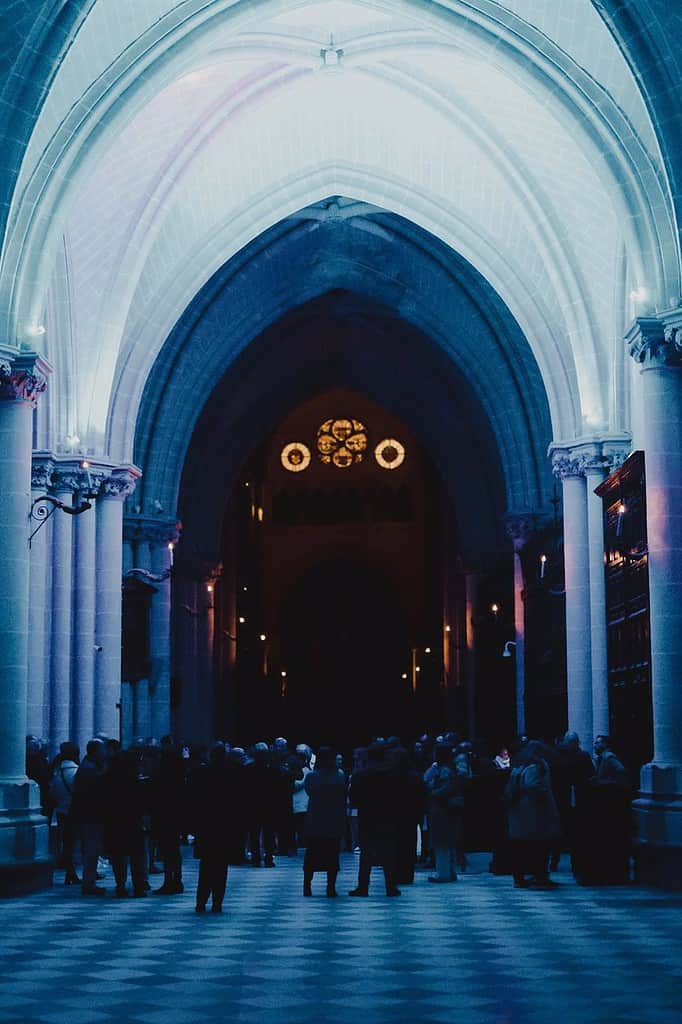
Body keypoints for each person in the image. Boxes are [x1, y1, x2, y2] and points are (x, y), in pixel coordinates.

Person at [194, 743, 243, 913]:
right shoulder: (231, 774)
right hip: (224, 826)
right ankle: (217, 903)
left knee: (206, 865)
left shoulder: (203, 773)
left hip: (207, 825)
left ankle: (201, 902)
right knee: (221, 867)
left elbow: (197, 801)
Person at [506, 740, 560, 889]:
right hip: (533, 813)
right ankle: (540, 878)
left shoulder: (519, 767)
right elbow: (532, 785)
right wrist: (545, 791)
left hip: (520, 813)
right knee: (539, 846)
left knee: (522, 847)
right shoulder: (534, 767)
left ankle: (520, 878)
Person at [348, 743, 401, 897]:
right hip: (388, 816)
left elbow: (353, 797)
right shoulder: (392, 774)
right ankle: (391, 886)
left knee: (366, 853)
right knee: (389, 853)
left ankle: (363, 887)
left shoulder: (361, 775)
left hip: (368, 816)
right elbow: (397, 796)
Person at [580, 735, 631, 885]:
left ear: (606, 745)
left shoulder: (608, 757)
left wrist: (603, 783)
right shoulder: (602, 758)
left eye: (598, 743)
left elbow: (621, 772)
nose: (595, 745)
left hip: (611, 804)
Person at [104, 747, 149, 898]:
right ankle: (138, 886)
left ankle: (121, 885)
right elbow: (141, 801)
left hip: (115, 820)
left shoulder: (109, 777)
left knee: (118, 855)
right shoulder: (135, 780)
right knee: (137, 855)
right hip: (132, 820)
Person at [302, 747, 346, 897]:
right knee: (332, 855)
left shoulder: (312, 777)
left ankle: (307, 886)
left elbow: (309, 792)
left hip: (315, 819)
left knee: (311, 855)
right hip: (333, 820)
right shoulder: (340, 776)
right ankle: (330, 888)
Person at [70, 738, 107, 895]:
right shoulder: (89, 769)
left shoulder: (87, 767)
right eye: (102, 750)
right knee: (91, 849)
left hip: (88, 814)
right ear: (96, 751)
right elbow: (94, 793)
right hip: (90, 815)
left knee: (91, 849)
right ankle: (88, 883)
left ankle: (89, 881)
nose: (104, 753)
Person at [151, 743, 186, 894]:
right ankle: (176, 879)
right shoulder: (179, 774)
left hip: (165, 816)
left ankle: (169, 880)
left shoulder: (162, 774)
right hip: (175, 815)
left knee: (167, 850)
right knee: (174, 849)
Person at [425, 743, 462, 883]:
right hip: (447, 809)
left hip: (442, 809)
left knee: (441, 843)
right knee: (448, 842)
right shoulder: (449, 769)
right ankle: (450, 872)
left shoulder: (444, 770)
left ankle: (443, 874)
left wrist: (432, 792)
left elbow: (444, 788)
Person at [49, 742, 80, 884]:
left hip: (62, 811)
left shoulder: (57, 772)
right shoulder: (75, 772)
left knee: (67, 843)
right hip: (74, 811)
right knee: (74, 844)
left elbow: (53, 792)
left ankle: (70, 871)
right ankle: (72, 872)